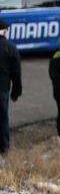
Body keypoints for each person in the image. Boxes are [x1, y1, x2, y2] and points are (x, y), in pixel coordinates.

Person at [0, 20, 22, 155]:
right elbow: (16, 73)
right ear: (4, 31)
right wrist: (16, 93)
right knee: (3, 118)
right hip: (2, 89)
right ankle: (4, 148)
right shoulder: (11, 48)